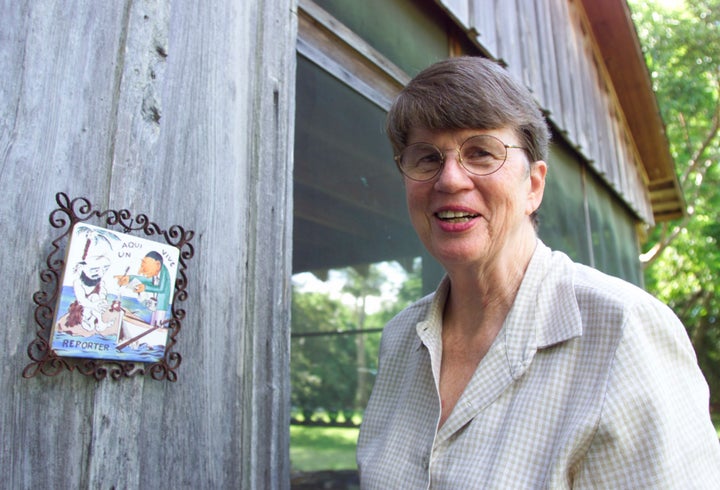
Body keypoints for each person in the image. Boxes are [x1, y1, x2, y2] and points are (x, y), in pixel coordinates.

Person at [356, 56, 720, 489]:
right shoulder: (400, 338)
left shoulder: (623, 329)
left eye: (481, 152)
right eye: (426, 158)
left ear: (534, 185)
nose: (450, 179)